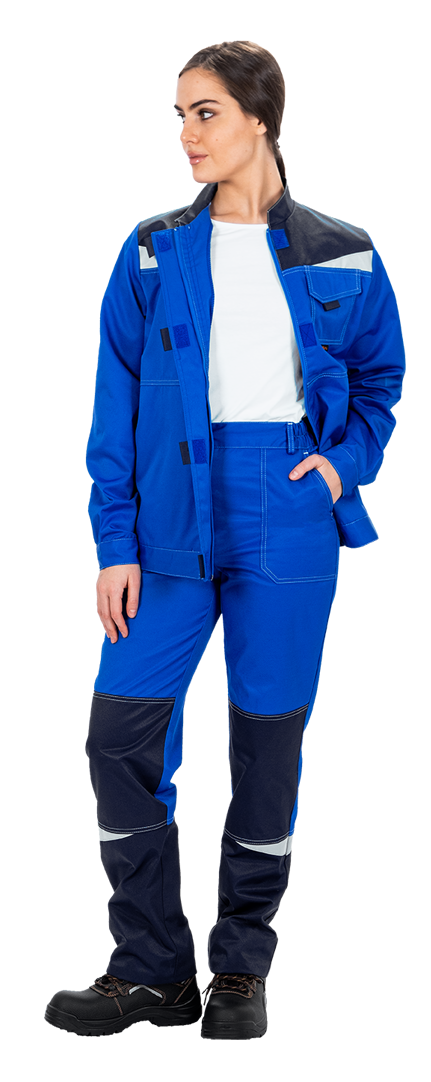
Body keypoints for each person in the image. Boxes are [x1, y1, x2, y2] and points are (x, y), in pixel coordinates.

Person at [46, 41, 405, 1040]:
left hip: (286, 503)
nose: (187, 134)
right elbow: (113, 405)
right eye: (180, 115)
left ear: (259, 119)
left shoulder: (344, 252)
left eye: (203, 112)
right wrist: (113, 541)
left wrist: (339, 466)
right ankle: (154, 971)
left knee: (265, 745)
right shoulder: (151, 252)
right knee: (118, 735)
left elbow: (381, 381)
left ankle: (239, 972)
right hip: (169, 517)